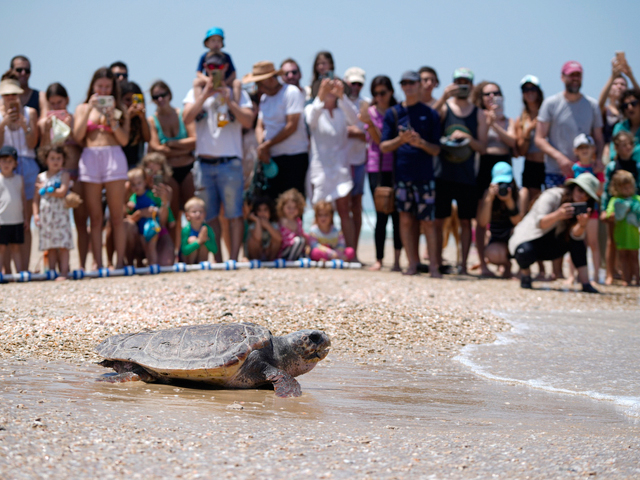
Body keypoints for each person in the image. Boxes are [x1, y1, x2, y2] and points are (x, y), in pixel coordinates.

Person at [183, 52, 255, 262]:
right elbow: (186, 117)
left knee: (234, 214)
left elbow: (248, 121)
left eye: (219, 67)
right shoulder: (196, 92)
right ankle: (219, 259)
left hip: (230, 162)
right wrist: (205, 95)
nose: (215, 71)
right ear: (206, 67)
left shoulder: (237, 92)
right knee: (211, 216)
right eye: (211, 67)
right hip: (204, 163)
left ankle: (233, 258)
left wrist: (230, 101)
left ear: (225, 68)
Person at [380, 71, 441, 276]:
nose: (409, 86)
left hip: (425, 176)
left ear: (419, 85)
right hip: (403, 176)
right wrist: (401, 140)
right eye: (404, 83)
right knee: (405, 220)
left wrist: (420, 143)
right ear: (401, 86)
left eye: (412, 83)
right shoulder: (393, 113)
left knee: (428, 222)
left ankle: (433, 266)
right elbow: (384, 146)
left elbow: (437, 149)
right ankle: (412, 264)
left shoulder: (430, 113)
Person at [73, 67, 130, 270]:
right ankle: (97, 262)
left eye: (107, 86)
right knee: (95, 217)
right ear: (93, 87)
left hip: (113, 155)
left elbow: (124, 139)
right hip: (90, 157)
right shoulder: (82, 108)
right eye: (100, 86)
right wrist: (90, 109)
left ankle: (119, 261)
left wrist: (112, 119)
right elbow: (78, 135)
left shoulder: (120, 107)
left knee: (116, 215)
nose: (104, 91)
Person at [509, 172, 601, 293]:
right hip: (531, 239)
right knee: (524, 251)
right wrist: (558, 215)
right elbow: (540, 223)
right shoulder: (552, 195)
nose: (582, 195)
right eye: (580, 190)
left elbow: (576, 235)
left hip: (554, 246)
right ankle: (526, 276)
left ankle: (585, 283)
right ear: (573, 187)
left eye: (587, 195)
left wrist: (582, 225)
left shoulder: (581, 208)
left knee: (578, 242)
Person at [435, 68, 488, 274]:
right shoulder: (444, 108)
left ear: (472, 86)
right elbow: (430, 119)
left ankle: (464, 265)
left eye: (466, 82)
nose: (462, 86)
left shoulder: (479, 114)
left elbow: (482, 147)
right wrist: (443, 97)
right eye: (458, 82)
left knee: (466, 222)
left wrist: (468, 140)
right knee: (439, 220)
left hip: (466, 176)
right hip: (443, 174)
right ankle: (438, 261)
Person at [37, 82, 88, 270]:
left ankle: (82, 265)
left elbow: (84, 145)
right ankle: (55, 267)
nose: (57, 107)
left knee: (81, 221)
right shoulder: (47, 123)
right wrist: (46, 130)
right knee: (56, 223)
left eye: (60, 102)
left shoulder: (74, 119)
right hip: (56, 177)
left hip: (76, 174)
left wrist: (70, 130)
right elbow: (43, 151)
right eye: (53, 104)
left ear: (67, 100)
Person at [305, 78, 358, 250]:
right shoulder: (313, 108)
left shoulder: (342, 112)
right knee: (320, 211)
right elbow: (310, 119)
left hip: (341, 168)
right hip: (321, 169)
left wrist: (342, 96)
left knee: (344, 211)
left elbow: (355, 118)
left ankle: (349, 251)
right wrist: (320, 95)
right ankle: (318, 250)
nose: (330, 92)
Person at [243, 61, 308, 201]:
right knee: (276, 204)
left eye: (259, 82)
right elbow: (260, 125)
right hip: (272, 158)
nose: (257, 87)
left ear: (269, 79)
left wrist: (267, 145)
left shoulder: (291, 92)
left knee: (294, 203)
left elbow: (291, 126)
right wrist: (263, 145)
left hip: (294, 156)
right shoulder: (265, 98)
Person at [535, 61, 604, 186]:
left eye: (578, 75)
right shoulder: (550, 104)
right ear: (562, 77)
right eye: (571, 75)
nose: (575, 79)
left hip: (585, 172)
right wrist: (560, 158)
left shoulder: (592, 105)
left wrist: (599, 159)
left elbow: (599, 138)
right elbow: (539, 138)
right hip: (556, 172)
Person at [472, 81, 516, 277]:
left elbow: (513, 142)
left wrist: (495, 126)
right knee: (482, 215)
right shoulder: (478, 117)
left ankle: (507, 262)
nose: (491, 97)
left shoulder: (509, 121)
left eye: (495, 93)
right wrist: (486, 122)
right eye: (487, 94)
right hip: (484, 165)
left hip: (504, 165)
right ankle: (482, 262)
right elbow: (480, 145)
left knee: (509, 213)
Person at [148, 80, 196, 255]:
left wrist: (170, 145)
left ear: (170, 95)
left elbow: (194, 140)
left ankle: (190, 251)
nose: (160, 99)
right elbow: (156, 148)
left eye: (163, 95)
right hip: (169, 171)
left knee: (192, 210)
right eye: (156, 97)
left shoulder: (182, 115)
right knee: (174, 214)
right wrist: (182, 147)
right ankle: (177, 252)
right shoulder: (152, 120)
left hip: (188, 167)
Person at [361, 75, 401, 272]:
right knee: (380, 215)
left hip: (395, 166)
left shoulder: (397, 111)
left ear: (391, 92)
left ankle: (397, 260)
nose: (379, 97)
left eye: (382, 93)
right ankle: (379, 259)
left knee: (397, 215)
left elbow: (387, 141)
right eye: (375, 93)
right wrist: (368, 123)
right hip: (375, 167)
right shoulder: (370, 112)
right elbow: (377, 141)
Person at [0, 73, 39, 271]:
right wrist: (3, 124)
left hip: (28, 164)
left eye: (13, 94)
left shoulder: (30, 112)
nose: (10, 99)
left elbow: (33, 143)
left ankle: (24, 268)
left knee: (25, 220)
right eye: (6, 95)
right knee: (5, 220)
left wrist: (26, 127)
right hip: (5, 167)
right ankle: (5, 270)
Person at [600, 131, 640, 284]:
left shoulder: (636, 165)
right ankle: (610, 273)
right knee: (612, 241)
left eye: (629, 144)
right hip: (614, 206)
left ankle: (632, 275)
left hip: (633, 207)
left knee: (633, 246)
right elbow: (605, 190)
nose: (627, 147)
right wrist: (605, 209)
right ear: (616, 147)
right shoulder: (612, 166)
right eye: (623, 145)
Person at [32, 145, 73, 279]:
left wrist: (46, 188)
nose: (55, 161)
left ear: (63, 160)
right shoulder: (41, 177)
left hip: (61, 215)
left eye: (58, 158)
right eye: (52, 158)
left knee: (63, 245)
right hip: (46, 216)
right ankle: (51, 271)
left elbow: (62, 192)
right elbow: (36, 199)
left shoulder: (64, 175)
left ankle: (64, 272)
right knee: (50, 246)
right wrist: (36, 214)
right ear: (46, 160)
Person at [477, 162, 522, 278]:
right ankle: (506, 264)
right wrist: (489, 199)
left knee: (518, 233)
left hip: (516, 238)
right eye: (500, 183)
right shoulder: (489, 195)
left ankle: (522, 267)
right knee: (492, 253)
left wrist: (509, 201)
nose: (503, 186)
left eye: (506, 183)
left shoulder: (520, 193)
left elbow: (519, 223)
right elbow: (482, 223)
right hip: (498, 239)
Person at [343, 67, 368, 259]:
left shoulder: (364, 104)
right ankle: (344, 248)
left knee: (356, 206)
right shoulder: (339, 102)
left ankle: (355, 250)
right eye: (353, 83)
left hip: (359, 160)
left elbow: (368, 133)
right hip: (341, 161)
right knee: (342, 206)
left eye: (359, 83)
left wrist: (356, 132)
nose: (356, 87)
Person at [126, 166, 174, 266]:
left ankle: (153, 263)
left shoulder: (152, 195)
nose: (136, 187)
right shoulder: (133, 197)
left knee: (151, 246)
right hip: (141, 228)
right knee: (145, 246)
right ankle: (146, 263)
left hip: (152, 226)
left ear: (144, 182)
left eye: (139, 183)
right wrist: (131, 208)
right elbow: (129, 212)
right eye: (133, 185)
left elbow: (163, 206)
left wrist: (171, 219)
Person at [571, 134, 603, 282]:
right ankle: (573, 275)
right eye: (581, 147)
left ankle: (595, 275)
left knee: (593, 242)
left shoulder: (597, 167)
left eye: (587, 147)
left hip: (593, 209)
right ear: (575, 150)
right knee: (576, 241)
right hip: (577, 209)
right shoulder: (573, 168)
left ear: (593, 149)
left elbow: (601, 190)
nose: (584, 150)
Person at [598, 54, 639, 158]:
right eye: (615, 84)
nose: (619, 87)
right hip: (609, 156)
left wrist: (630, 75)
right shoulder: (606, 110)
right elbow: (599, 105)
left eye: (623, 84)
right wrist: (613, 76)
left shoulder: (629, 111)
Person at [515, 75, 545, 214]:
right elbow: (521, 151)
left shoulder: (548, 112)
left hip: (548, 164)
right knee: (531, 202)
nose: (529, 92)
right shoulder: (521, 119)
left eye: (533, 88)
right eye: (525, 89)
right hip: (531, 165)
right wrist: (528, 131)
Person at [604, 170, 640, 286]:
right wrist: (619, 211)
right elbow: (609, 215)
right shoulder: (615, 200)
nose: (628, 190)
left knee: (634, 257)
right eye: (625, 188)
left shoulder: (637, 199)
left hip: (634, 234)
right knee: (623, 257)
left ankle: (637, 279)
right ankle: (626, 279)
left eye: (630, 187)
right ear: (617, 188)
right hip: (620, 233)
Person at [0, 145, 26, 273]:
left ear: (15, 164)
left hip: (17, 220)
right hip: (2, 221)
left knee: (16, 247)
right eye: (3, 160)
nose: (6, 164)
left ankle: (20, 273)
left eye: (10, 161)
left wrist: (26, 218)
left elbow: (23, 199)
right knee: (1, 248)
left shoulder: (19, 179)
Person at [120, 81, 150, 169]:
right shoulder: (115, 116)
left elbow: (147, 138)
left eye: (134, 100)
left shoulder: (139, 119)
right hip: (119, 164)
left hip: (136, 166)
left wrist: (142, 118)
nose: (131, 104)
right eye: (127, 100)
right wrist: (127, 117)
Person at [181, 196, 218, 264]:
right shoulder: (186, 230)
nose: (198, 214)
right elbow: (184, 251)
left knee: (203, 244)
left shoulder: (208, 229)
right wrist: (198, 241)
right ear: (187, 215)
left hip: (202, 261)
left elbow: (215, 250)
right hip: (188, 260)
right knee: (192, 239)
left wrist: (205, 241)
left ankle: (201, 263)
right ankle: (191, 264)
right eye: (194, 212)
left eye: (201, 211)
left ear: (205, 214)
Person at [245, 196, 281, 261]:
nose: (262, 213)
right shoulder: (253, 225)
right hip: (257, 253)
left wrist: (267, 225)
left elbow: (279, 239)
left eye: (265, 210)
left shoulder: (273, 224)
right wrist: (258, 221)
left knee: (276, 239)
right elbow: (257, 238)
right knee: (253, 241)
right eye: (259, 210)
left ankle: (271, 260)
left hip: (268, 252)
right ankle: (255, 260)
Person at [276, 188, 307, 260]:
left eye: (294, 208)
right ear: (282, 207)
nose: (291, 210)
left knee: (301, 241)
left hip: (296, 248)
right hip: (285, 250)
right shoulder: (282, 220)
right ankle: (290, 259)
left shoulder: (298, 221)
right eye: (289, 207)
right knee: (299, 240)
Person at [610, 89, 640, 163]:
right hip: (622, 170)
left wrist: (625, 152)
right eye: (625, 106)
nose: (630, 107)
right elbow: (613, 154)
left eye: (634, 103)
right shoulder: (619, 127)